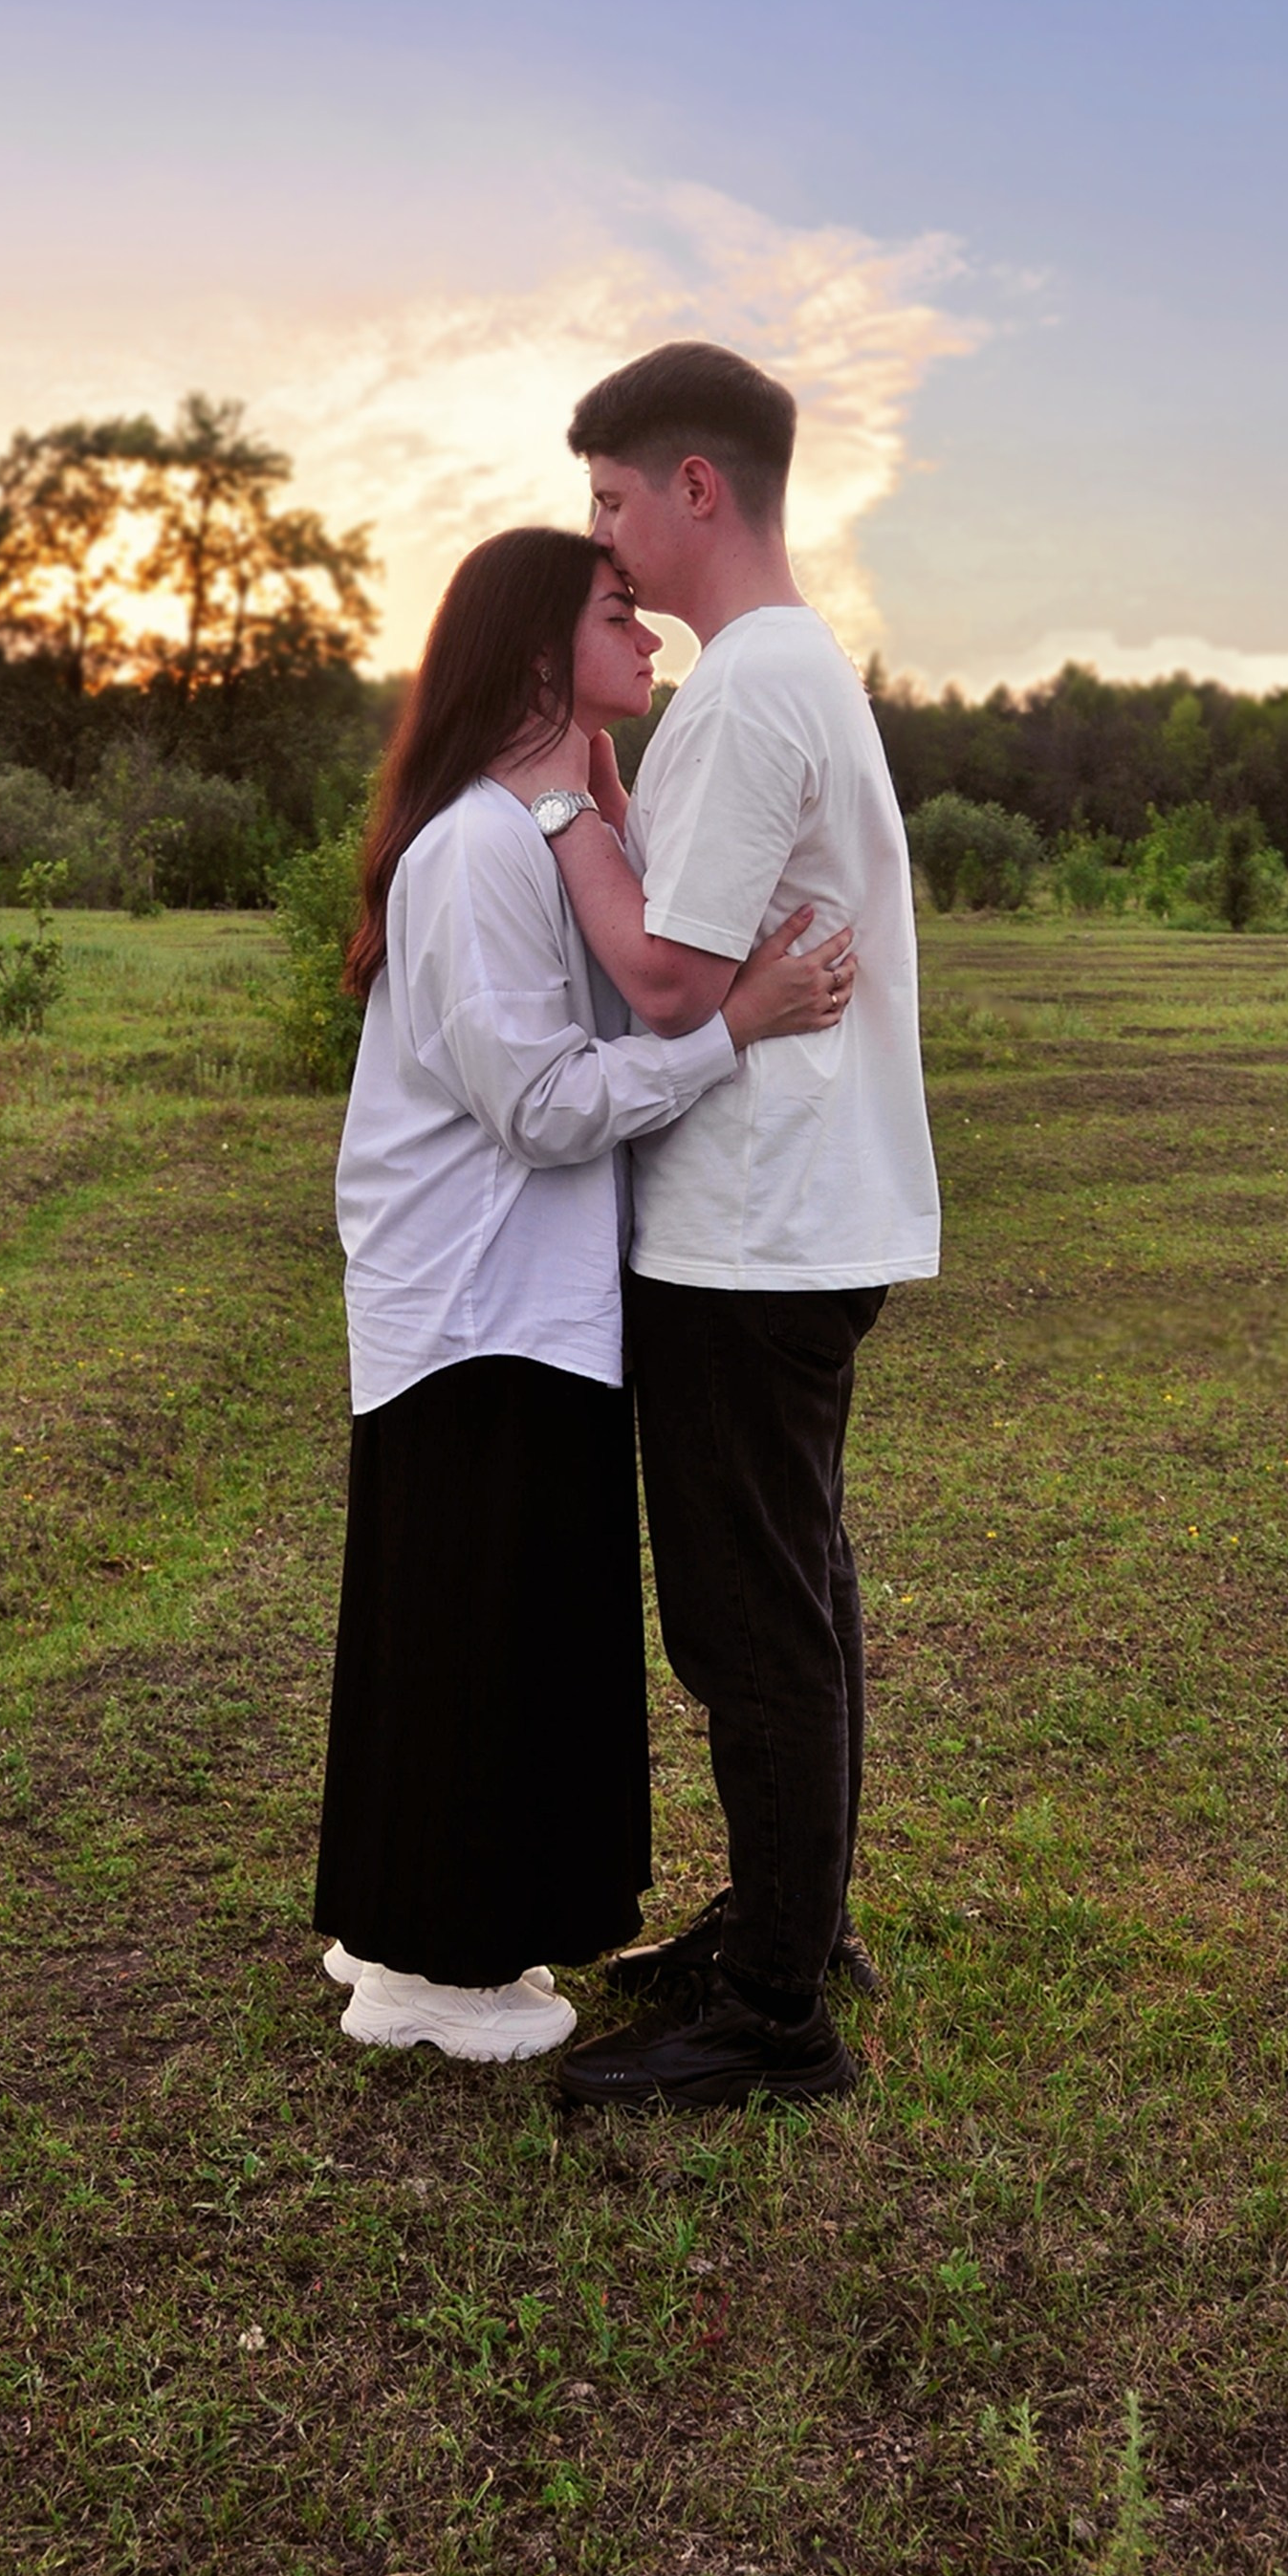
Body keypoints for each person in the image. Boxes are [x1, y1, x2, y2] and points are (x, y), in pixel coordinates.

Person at [313, 525, 857, 2063]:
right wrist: (736, 1026)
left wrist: (604, 812)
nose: (657, 634)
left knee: (466, 1628)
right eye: (621, 609)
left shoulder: (527, 830)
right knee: (477, 1635)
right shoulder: (482, 847)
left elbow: (619, 996)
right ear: (542, 648)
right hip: (482, 1307)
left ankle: (406, 1935)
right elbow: (542, 1105)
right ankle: (440, 1970)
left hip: (510, 1305)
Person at [533, 342, 942, 2110]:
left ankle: (774, 2016)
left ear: (699, 487)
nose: (603, 545)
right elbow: (712, 929)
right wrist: (633, 818)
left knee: (747, 1620)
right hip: (802, 1213)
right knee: (802, 1591)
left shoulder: (746, 692)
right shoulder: (790, 672)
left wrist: (561, 811)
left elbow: (670, 977)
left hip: (747, 1230)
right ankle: (791, 1922)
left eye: (615, 500)